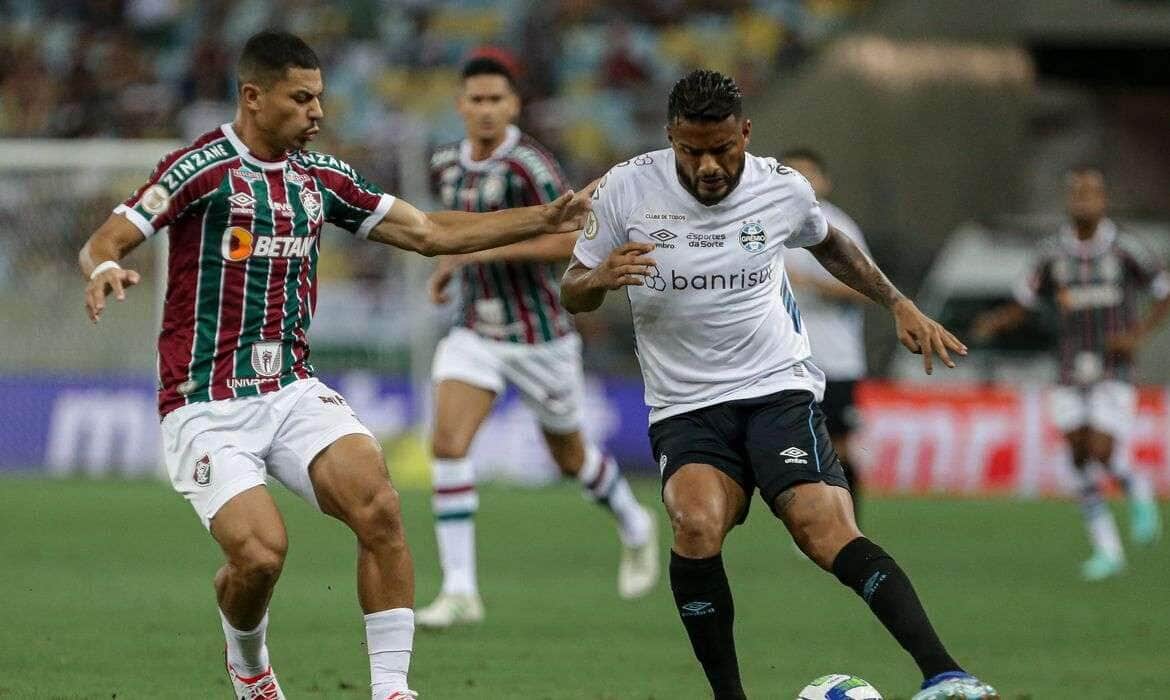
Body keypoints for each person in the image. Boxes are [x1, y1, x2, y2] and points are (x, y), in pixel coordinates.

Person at [78, 31, 590, 700]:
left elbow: (429, 232)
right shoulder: (199, 169)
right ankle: (250, 666)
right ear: (254, 97)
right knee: (259, 555)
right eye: (302, 98)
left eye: (319, 98)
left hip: (289, 388)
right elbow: (107, 239)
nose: (317, 112)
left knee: (378, 504)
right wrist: (109, 267)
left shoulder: (323, 177)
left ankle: (391, 689)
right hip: (203, 400)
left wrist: (540, 218)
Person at [561, 70, 997, 700]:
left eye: (722, 149)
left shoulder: (781, 188)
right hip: (685, 405)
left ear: (745, 132)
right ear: (670, 139)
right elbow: (572, 291)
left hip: (775, 387)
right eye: (692, 151)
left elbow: (830, 243)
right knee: (694, 525)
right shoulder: (626, 188)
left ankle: (947, 676)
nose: (708, 165)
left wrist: (896, 301)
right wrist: (598, 277)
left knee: (824, 530)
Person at [417, 56, 658, 629]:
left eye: (495, 100)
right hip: (475, 330)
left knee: (570, 457)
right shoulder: (444, 165)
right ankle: (459, 590)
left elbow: (572, 239)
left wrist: (482, 252)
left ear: (513, 105)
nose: (484, 110)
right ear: (460, 106)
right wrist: (452, 262)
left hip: (540, 336)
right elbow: (452, 229)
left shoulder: (530, 166)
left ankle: (634, 521)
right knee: (448, 445)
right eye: (475, 100)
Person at [972, 166, 1169, 581]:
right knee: (1079, 455)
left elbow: (1163, 293)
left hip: (1114, 366)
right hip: (1067, 367)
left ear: (1104, 200)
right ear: (1068, 200)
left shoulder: (1126, 249)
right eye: (1076, 193)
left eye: (1091, 193)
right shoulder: (1052, 254)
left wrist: (1137, 335)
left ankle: (1136, 486)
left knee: (1099, 448)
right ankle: (1108, 551)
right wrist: (993, 322)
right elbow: (1025, 300)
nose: (1083, 200)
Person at [781, 148, 871, 523]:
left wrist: (813, 283)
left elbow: (865, 286)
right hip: (785, 360)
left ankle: (850, 524)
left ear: (824, 181)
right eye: (791, 174)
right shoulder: (768, 228)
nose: (800, 182)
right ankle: (814, 523)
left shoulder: (839, 227)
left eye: (808, 174)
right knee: (797, 448)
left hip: (836, 358)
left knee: (840, 446)